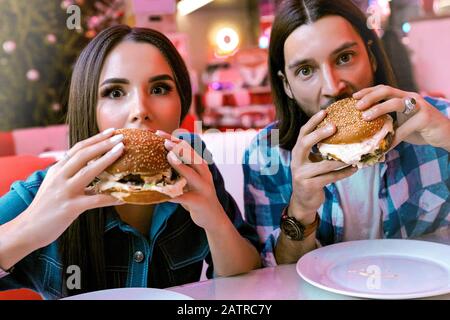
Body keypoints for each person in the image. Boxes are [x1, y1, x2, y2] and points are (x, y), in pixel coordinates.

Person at [0, 25, 261, 299]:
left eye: (160, 88)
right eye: (114, 92)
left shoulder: (194, 167)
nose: (140, 110)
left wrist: (215, 220)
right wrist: (31, 226)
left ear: (181, 102)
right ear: (88, 108)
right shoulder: (47, 191)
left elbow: (250, 281)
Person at [243, 0, 450, 266]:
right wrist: (301, 210)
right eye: (306, 71)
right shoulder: (265, 154)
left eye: (344, 58)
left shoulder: (437, 120)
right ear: (287, 86)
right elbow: (276, 277)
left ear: (371, 57)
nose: (332, 86)